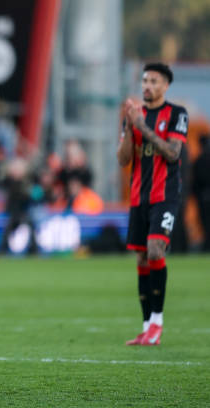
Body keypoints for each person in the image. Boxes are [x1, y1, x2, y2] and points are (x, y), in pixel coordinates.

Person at [117, 63, 188, 346]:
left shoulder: (176, 114)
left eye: (153, 81)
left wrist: (142, 128)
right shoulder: (136, 116)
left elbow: (172, 153)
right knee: (142, 258)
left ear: (166, 86)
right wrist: (128, 127)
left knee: (156, 249)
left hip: (164, 196)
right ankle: (147, 327)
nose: (147, 85)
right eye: (144, 80)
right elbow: (123, 160)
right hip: (138, 197)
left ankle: (157, 322)